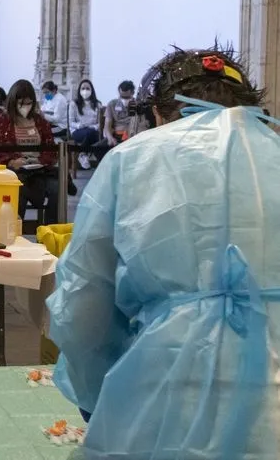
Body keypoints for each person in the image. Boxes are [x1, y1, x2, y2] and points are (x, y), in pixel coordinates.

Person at [47, 46, 280, 458]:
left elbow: (84, 304)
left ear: (158, 113)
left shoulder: (132, 160)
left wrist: (100, 394)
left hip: (168, 392)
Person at [0, 80, 59, 226]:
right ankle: (15, 230)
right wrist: (10, 162)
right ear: (13, 102)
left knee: (56, 189)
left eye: (29, 103)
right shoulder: (1, 121)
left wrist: (42, 161)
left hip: (40, 170)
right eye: (21, 103)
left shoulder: (40, 121)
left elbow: (51, 149)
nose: (25, 107)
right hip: (13, 171)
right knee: (18, 189)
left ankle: (50, 230)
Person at [69, 79, 102, 170]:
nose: (85, 90)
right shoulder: (74, 104)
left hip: (92, 130)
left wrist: (93, 126)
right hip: (77, 131)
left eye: (87, 88)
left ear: (92, 90)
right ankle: (91, 157)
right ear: (79, 90)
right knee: (92, 135)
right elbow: (71, 122)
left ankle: (82, 153)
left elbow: (100, 123)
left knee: (94, 134)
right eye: (83, 88)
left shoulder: (97, 104)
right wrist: (80, 125)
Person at [103, 80, 135, 145]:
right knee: (98, 149)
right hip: (117, 136)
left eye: (127, 97)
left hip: (132, 137)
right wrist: (110, 138)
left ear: (133, 93)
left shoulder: (138, 104)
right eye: (122, 97)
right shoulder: (112, 104)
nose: (124, 100)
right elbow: (107, 125)